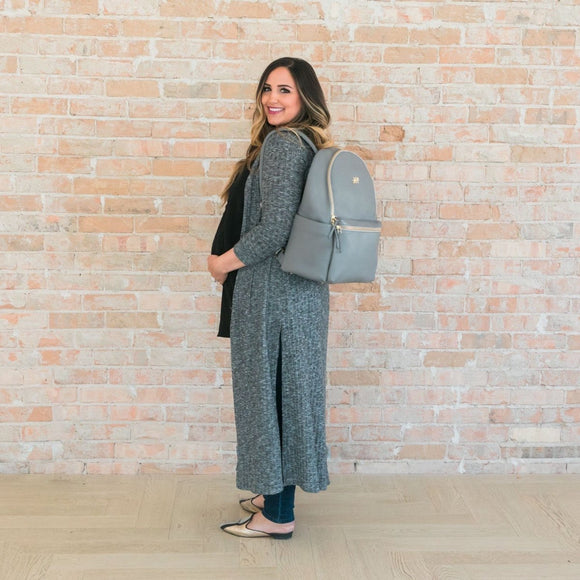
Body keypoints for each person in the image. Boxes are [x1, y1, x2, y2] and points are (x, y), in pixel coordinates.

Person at [208, 57, 333, 540]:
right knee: (284, 393)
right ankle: (272, 495)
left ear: (305, 97)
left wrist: (224, 263)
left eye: (285, 90)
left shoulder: (283, 145)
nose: (272, 99)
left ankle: (278, 515)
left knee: (272, 398)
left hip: (273, 297)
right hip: (292, 296)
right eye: (267, 88)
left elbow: (275, 228)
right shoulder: (301, 143)